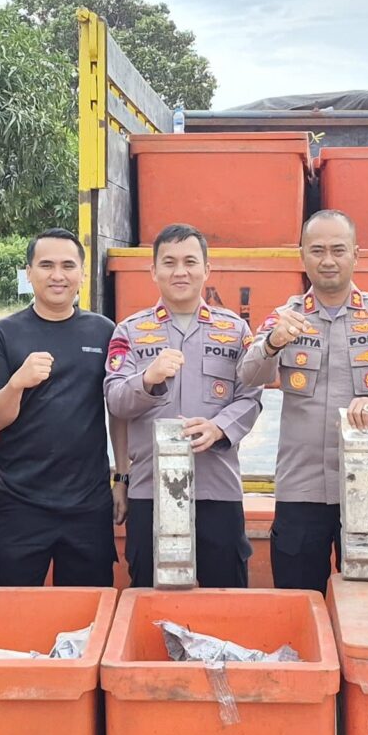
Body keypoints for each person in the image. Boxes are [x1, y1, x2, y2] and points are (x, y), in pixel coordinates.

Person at [238, 209, 368, 592]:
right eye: (317, 250)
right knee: (298, 602)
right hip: (301, 493)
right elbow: (248, 376)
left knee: (365, 604)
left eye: (338, 250)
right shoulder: (285, 318)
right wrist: (273, 343)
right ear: (302, 256)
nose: (327, 260)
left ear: (356, 255)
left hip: (367, 490)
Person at [104, 223, 264, 589]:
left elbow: (251, 397)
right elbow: (115, 400)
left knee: (225, 595)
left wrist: (219, 428)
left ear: (207, 269)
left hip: (216, 488)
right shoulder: (129, 331)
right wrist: (148, 378)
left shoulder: (235, 330)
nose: (180, 271)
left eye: (190, 262)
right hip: (150, 490)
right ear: (153, 270)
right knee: (150, 593)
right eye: (169, 262)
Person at [0, 229, 120, 587]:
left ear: (82, 274)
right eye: (46, 265)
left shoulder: (104, 332)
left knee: (88, 609)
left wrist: (122, 477)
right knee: (13, 607)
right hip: (20, 502)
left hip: (89, 504)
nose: (58, 275)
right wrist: (18, 382)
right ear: (29, 273)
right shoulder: (2, 334)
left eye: (68, 266)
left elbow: (119, 411)